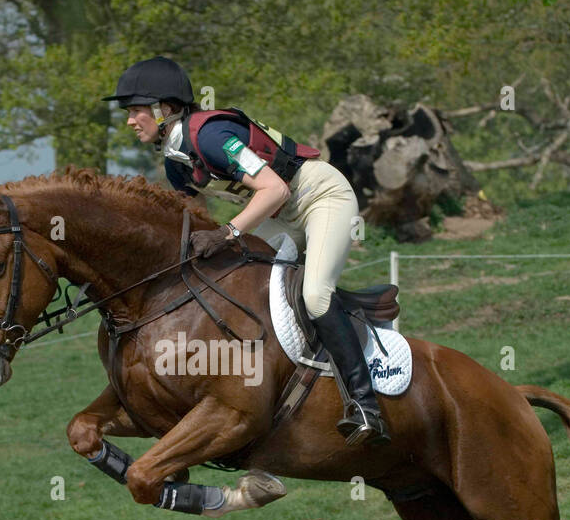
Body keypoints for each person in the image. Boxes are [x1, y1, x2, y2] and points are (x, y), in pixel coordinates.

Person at [102, 56, 390, 446]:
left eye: (136, 110)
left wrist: (228, 232)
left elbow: (276, 189)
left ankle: (364, 403)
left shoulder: (211, 136)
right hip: (278, 213)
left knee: (315, 295)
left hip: (317, 196)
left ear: (164, 108)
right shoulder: (175, 162)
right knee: (237, 282)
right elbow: (187, 221)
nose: (130, 120)